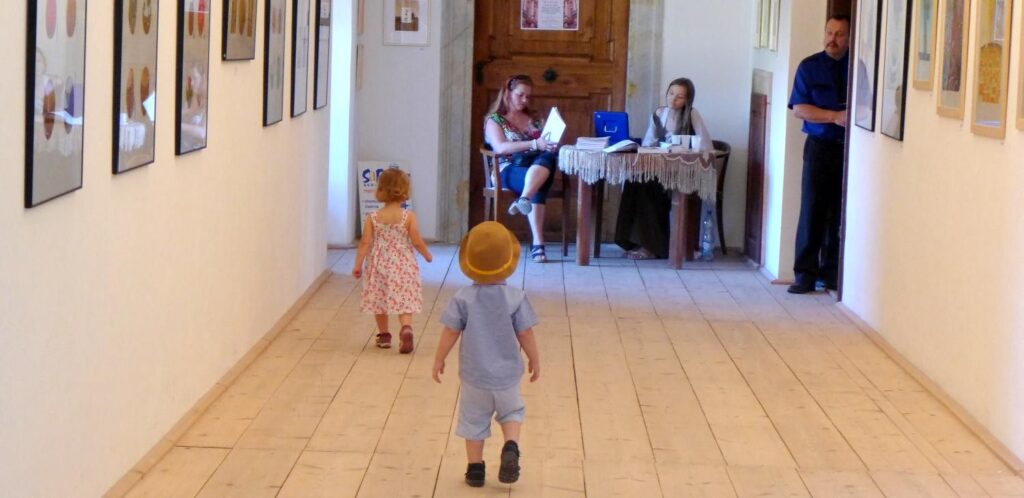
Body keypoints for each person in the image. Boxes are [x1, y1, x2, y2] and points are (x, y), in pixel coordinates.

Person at [432, 221, 541, 487]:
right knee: (512, 412)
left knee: (473, 421)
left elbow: (450, 331)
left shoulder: (463, 298)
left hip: (474, 376)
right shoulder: (515, 297)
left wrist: (439, 359)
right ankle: (511, 445)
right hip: (507, 376)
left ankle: (475, 469)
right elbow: (525, 332)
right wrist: (534, 358)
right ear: (509, 261)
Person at [614, 77, 713, 260]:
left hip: (681, 173)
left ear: (688, 100)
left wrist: (684, 148)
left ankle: (652, 246)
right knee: (633, 181)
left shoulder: (692, 114)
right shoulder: (659, 114)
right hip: (658, 169)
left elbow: (705, 146)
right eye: (671, 93)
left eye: (680, 96)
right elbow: (648, 142)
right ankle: (630, 242)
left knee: (647, 187)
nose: (673, 99)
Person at [787, 13, 850, 294]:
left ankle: (832, 273)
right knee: (812, 209)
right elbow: (800, 109)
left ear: (849, 38)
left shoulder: (856, 67)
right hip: (819, 147)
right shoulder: (809, 67)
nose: (832, 39)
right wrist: (834, 116)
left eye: (839, 34)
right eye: (829, 32)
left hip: (847, 150)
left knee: (838, 212)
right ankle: (805, 275)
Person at [352, 168, 433, 352]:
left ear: (380, 190)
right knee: (405, 297)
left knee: (379, 298)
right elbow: (416, 241)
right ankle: (406, 327)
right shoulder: (408, 216)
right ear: (404, 190)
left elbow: (365, 242)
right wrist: (427, 255)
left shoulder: (373, 217)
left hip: (379, 265)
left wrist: (358, 265)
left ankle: (384, 335)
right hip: (403, 265)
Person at [483, 74, 560, 263]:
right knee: (539, 181)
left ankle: (524, 198)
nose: (525, 100)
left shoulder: (535, 118)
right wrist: (534, 144)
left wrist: (550, 145)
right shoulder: (494, 120)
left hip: (537, 165)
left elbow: (545, 143)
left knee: (548, 158)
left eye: (528, 96)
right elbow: (500, 148)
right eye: (520, 95)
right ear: (507, 93)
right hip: (506, 169)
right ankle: (538, 243)